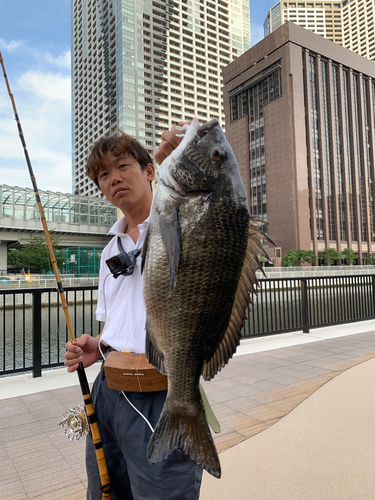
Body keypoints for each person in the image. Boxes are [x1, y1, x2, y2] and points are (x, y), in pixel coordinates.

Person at [64, 124, 203, 500]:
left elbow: (194, 204)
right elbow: (116, 321)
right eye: (103, 175)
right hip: (107, 392)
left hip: (160, 392)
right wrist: (97, 345)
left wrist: (168, 155)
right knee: (105, 492)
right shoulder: (110, 249)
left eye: (123, 166)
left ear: (149, 172)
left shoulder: (179, 225)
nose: (113, 179)